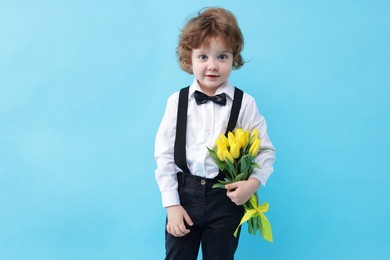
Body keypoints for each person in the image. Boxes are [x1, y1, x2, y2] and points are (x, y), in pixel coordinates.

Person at [154, 7, 275, 260]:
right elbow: (164, 155)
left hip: (226, 201)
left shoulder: (245, 104)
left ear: (234, 58)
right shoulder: (177, 102)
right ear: (190, 58)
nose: (212, 66)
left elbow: (266, 151)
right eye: (203, 57)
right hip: (184, 195)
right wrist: (172, 204)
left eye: (222, 56)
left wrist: (251, 186)